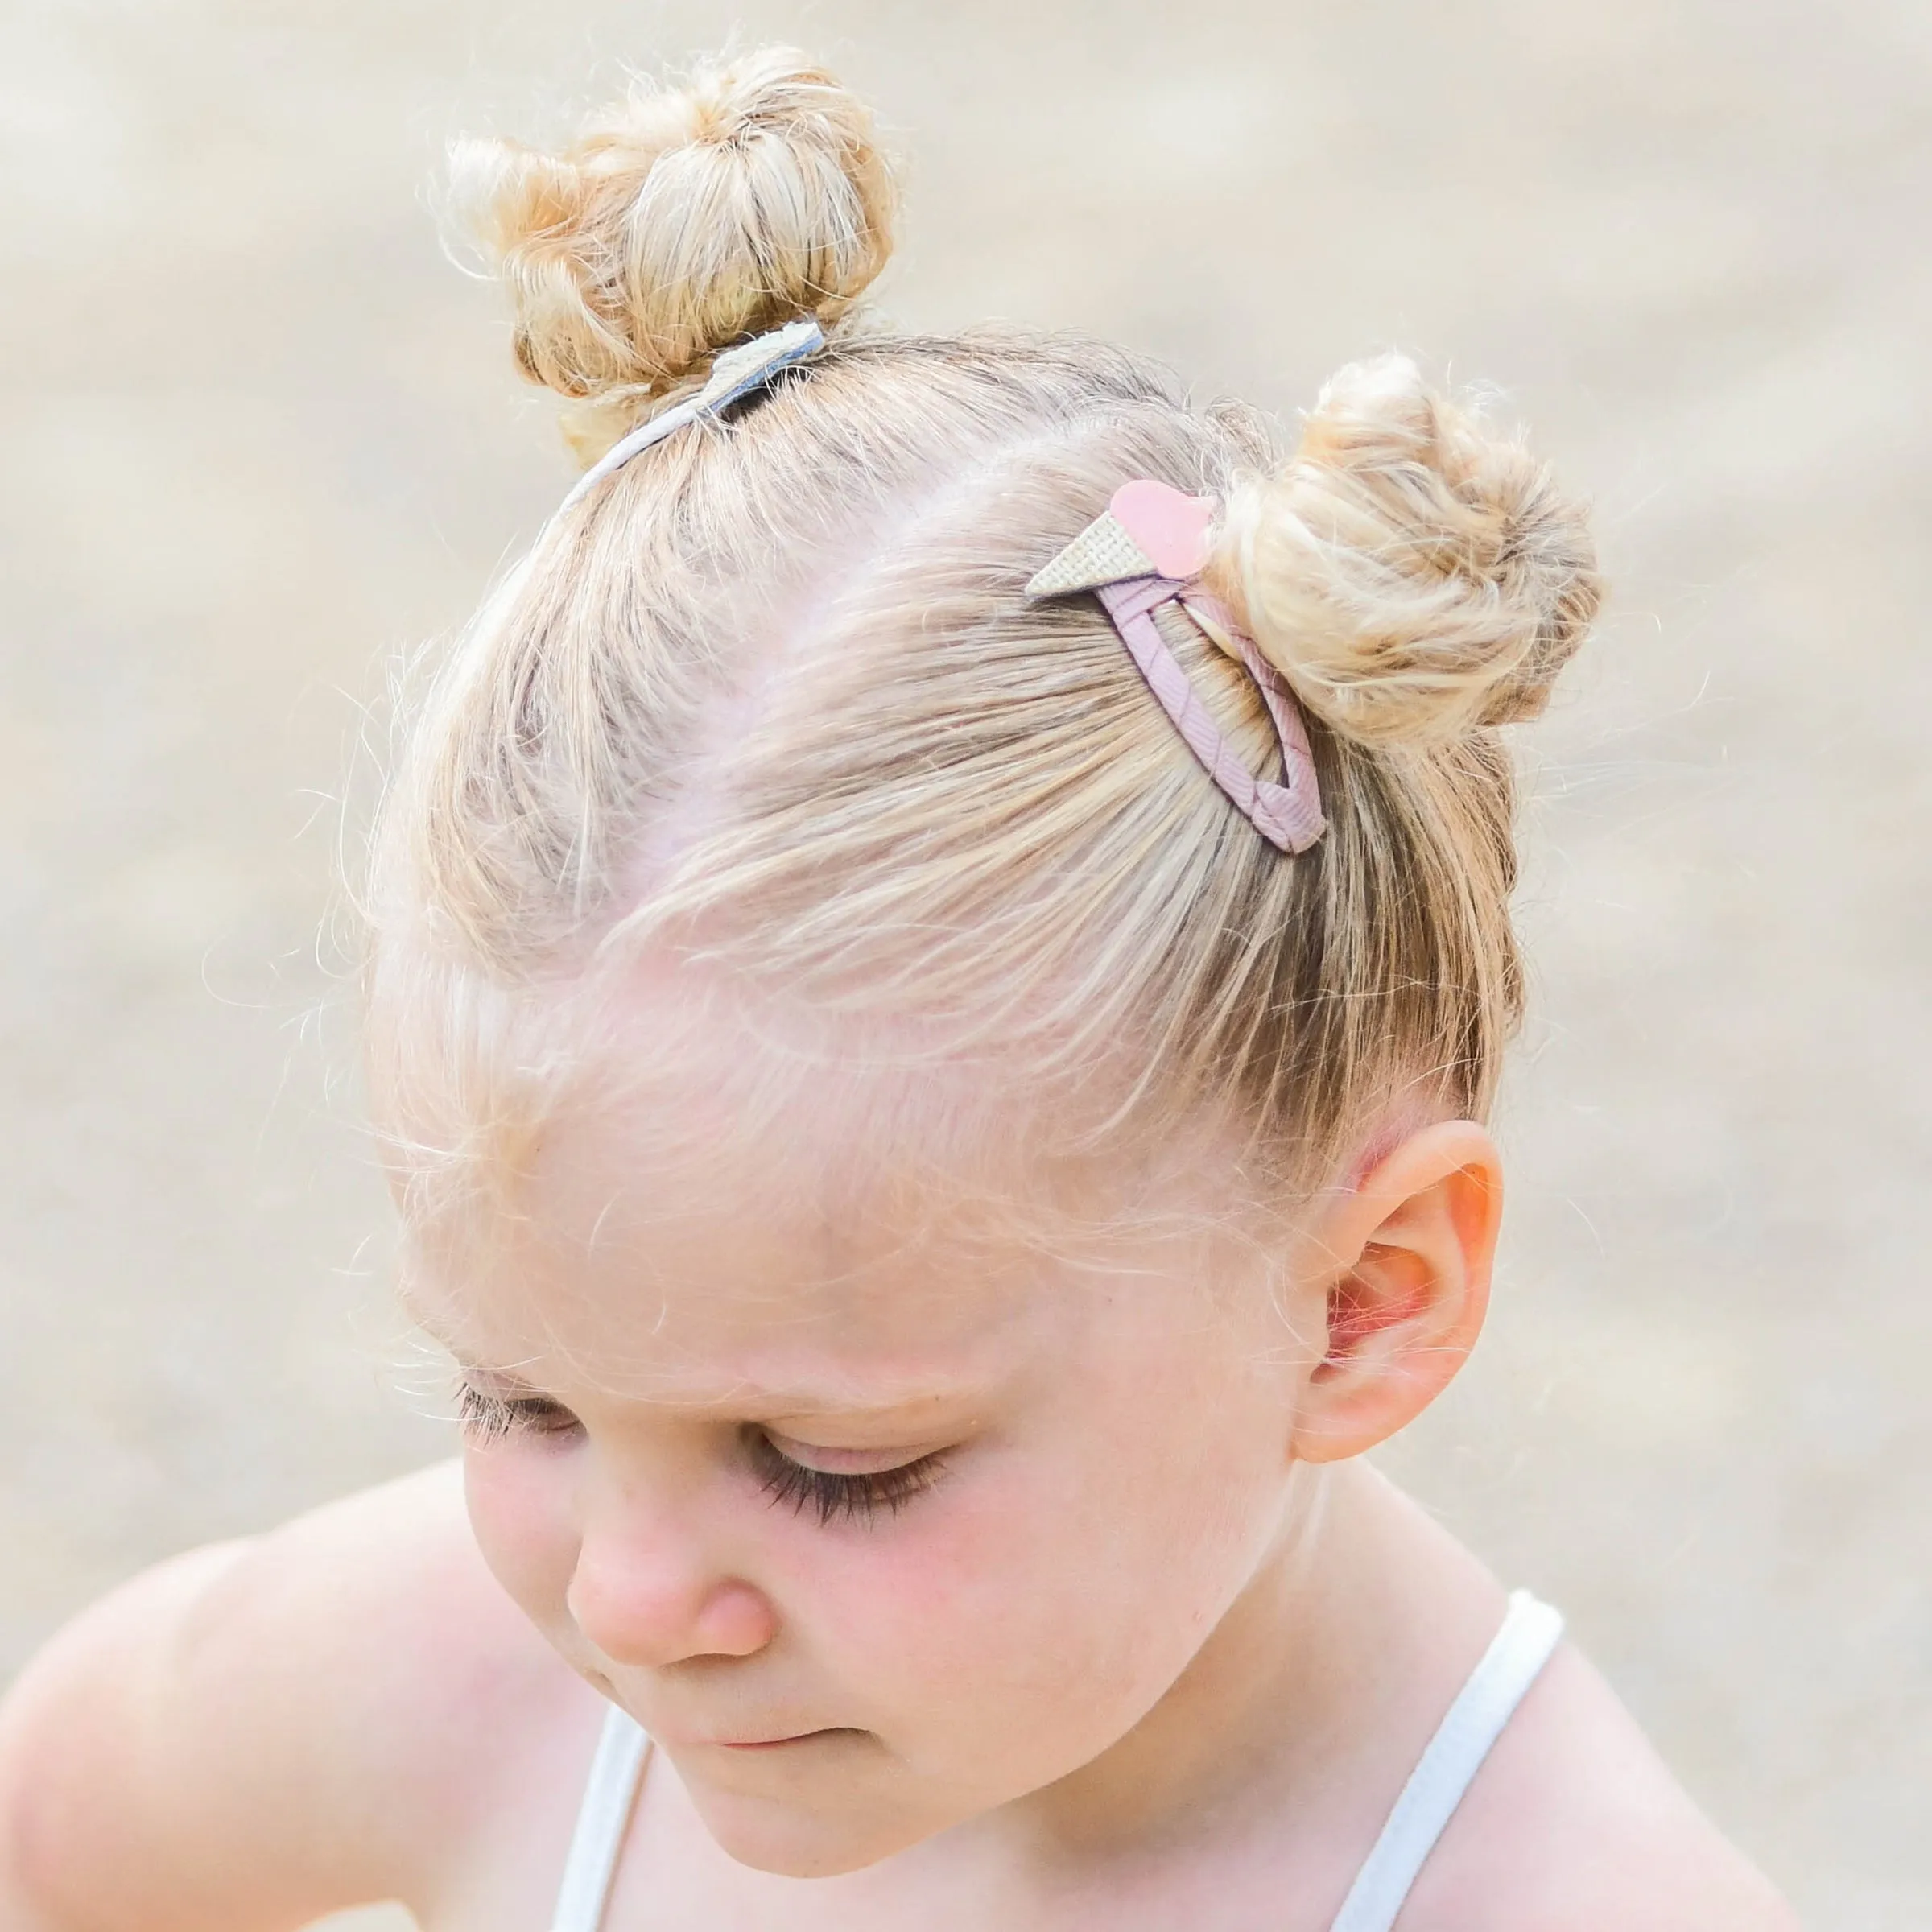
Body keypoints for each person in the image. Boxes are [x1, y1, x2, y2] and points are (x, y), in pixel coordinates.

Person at [0, 47, 1797, 1932]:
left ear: (1359, 1303)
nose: (625, 1598)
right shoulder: (449, 1692)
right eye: (521, 1403)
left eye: (832, 1466)